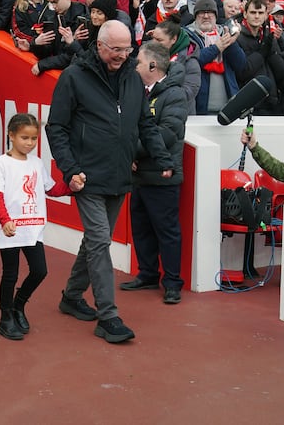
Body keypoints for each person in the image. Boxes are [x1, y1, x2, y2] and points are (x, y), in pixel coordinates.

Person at [46, 20, 174, 344]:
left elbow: (145, 123)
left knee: (93, 241)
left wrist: (162, 159)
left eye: (127, 49)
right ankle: (108, 316)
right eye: (115, 49)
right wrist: (69, 168)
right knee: (101, 240)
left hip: (119, 176)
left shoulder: (132, 79)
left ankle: (72, 296)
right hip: (85, 176)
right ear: (100, 45)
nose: (122, 55)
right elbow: (56, 128)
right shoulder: (73, 77)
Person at [0, 113, 78, 340]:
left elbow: (51, 189)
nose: (29, 143)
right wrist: (5, 220)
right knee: (10, 273)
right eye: (24, 137)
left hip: (33, 228)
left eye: (33, 138)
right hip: (11, 230)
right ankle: (5, 316)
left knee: (39, 270)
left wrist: (71, 187)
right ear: (11, 135)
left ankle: (19, 305)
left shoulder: (36, 163)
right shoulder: (1, 164)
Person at [119, 42, 188, 304]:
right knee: (142, 228)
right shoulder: (137, 93)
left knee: (166, 230)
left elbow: (167, 134)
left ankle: (172, 283)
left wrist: (133, 153)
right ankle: (147, 273)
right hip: (140, 176)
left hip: (162, 176)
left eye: (138, 62)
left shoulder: (175, 95)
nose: (134, 66)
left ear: (152, 65)